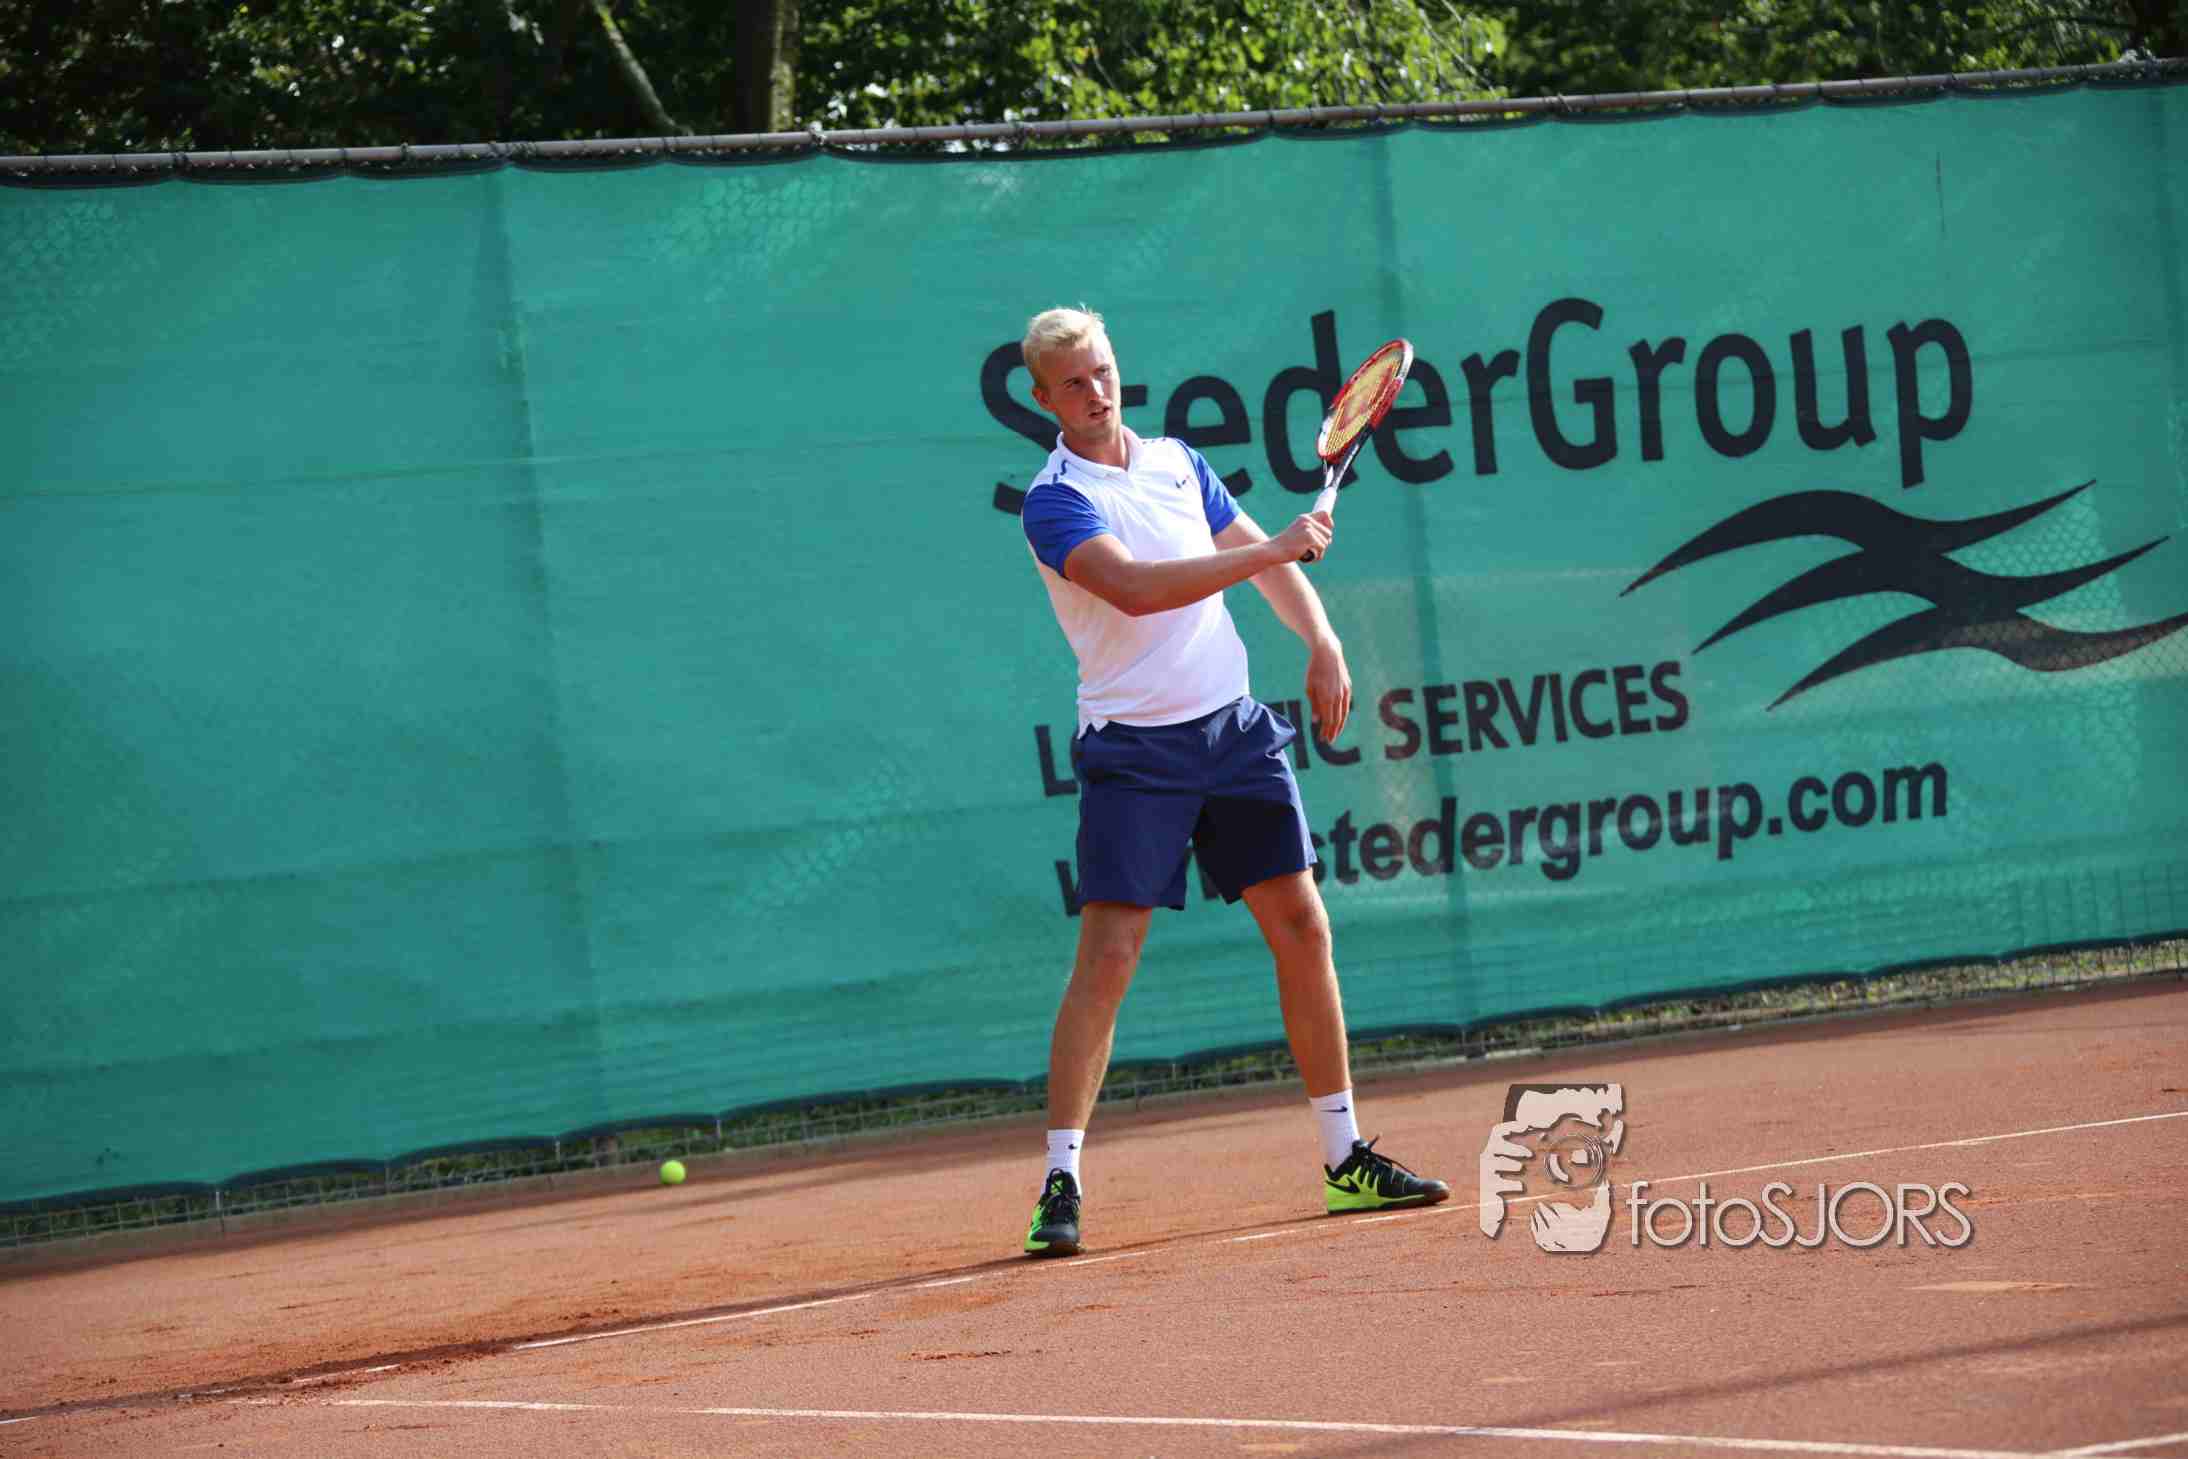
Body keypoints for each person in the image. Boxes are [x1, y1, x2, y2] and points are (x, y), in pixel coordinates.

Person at [1013, 305, 1449, 1258]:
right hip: (1134, 749)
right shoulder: (1053, 501)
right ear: (1044, 399)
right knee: (1110, 956)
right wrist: (1273, 548)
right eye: (1074, 383)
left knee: (1303, 925)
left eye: (1103, 370)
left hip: (1233, 732)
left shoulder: (1177, 461)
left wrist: (1323, 638)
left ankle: (1345, 1157)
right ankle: (1060, 1180)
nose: (1096, 392)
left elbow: (1263, 562)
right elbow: (1137, 589)